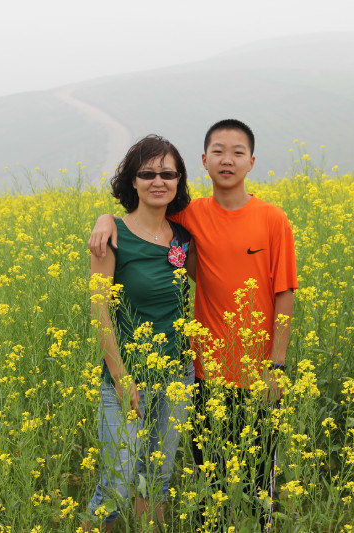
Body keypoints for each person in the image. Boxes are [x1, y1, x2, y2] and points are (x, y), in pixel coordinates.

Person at [88, 119, 298, 527]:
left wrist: (278, 364)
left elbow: (284, 293)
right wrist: (105, 217)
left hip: (229, 374)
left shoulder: (251, 221)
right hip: (191, 374)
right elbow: (140, 221)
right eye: (218, 151)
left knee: (233, 484)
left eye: (167, 173)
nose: (158, 181)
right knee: (149, 482)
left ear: (251, 162)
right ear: (204, 161)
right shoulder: (178, 222)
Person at [85, 134, 194, 532]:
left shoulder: (183, 237)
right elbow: (100, 312)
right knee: (116, 483)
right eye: (147, 173)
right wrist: (121, 377)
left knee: (158, 481)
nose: (158, 181)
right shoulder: (111, 235)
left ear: (179, 180)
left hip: (177, 375)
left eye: (167, 173)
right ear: (132, 180)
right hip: (126, 379)